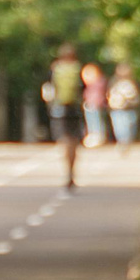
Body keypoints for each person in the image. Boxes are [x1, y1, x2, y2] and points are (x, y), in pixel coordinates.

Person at [45, 44, 85, 190]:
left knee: (64, 140)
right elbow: (83, 90)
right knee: (74, 141)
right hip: (75, 109)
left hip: (59, 109)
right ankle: (71, 171)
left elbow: (48, 89)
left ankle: (67, 169)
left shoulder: (55, 69)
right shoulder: (78, 69)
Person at [107, 64, 140, 151]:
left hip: (129, 109)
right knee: (119, 127)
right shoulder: (114, 82)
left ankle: (126, 142)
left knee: (129, 127)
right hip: (117, 109)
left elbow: (136, 96)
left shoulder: (132, 83)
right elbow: (110, 94)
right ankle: (122, 143)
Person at [80, 61, 108, 147]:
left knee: (95, 121)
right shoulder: (95, 84)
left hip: (94, 104)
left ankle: (98, 137)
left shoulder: (98, 83)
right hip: (90, 104)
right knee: (92, 121)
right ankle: (93, 136)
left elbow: (98, 95)